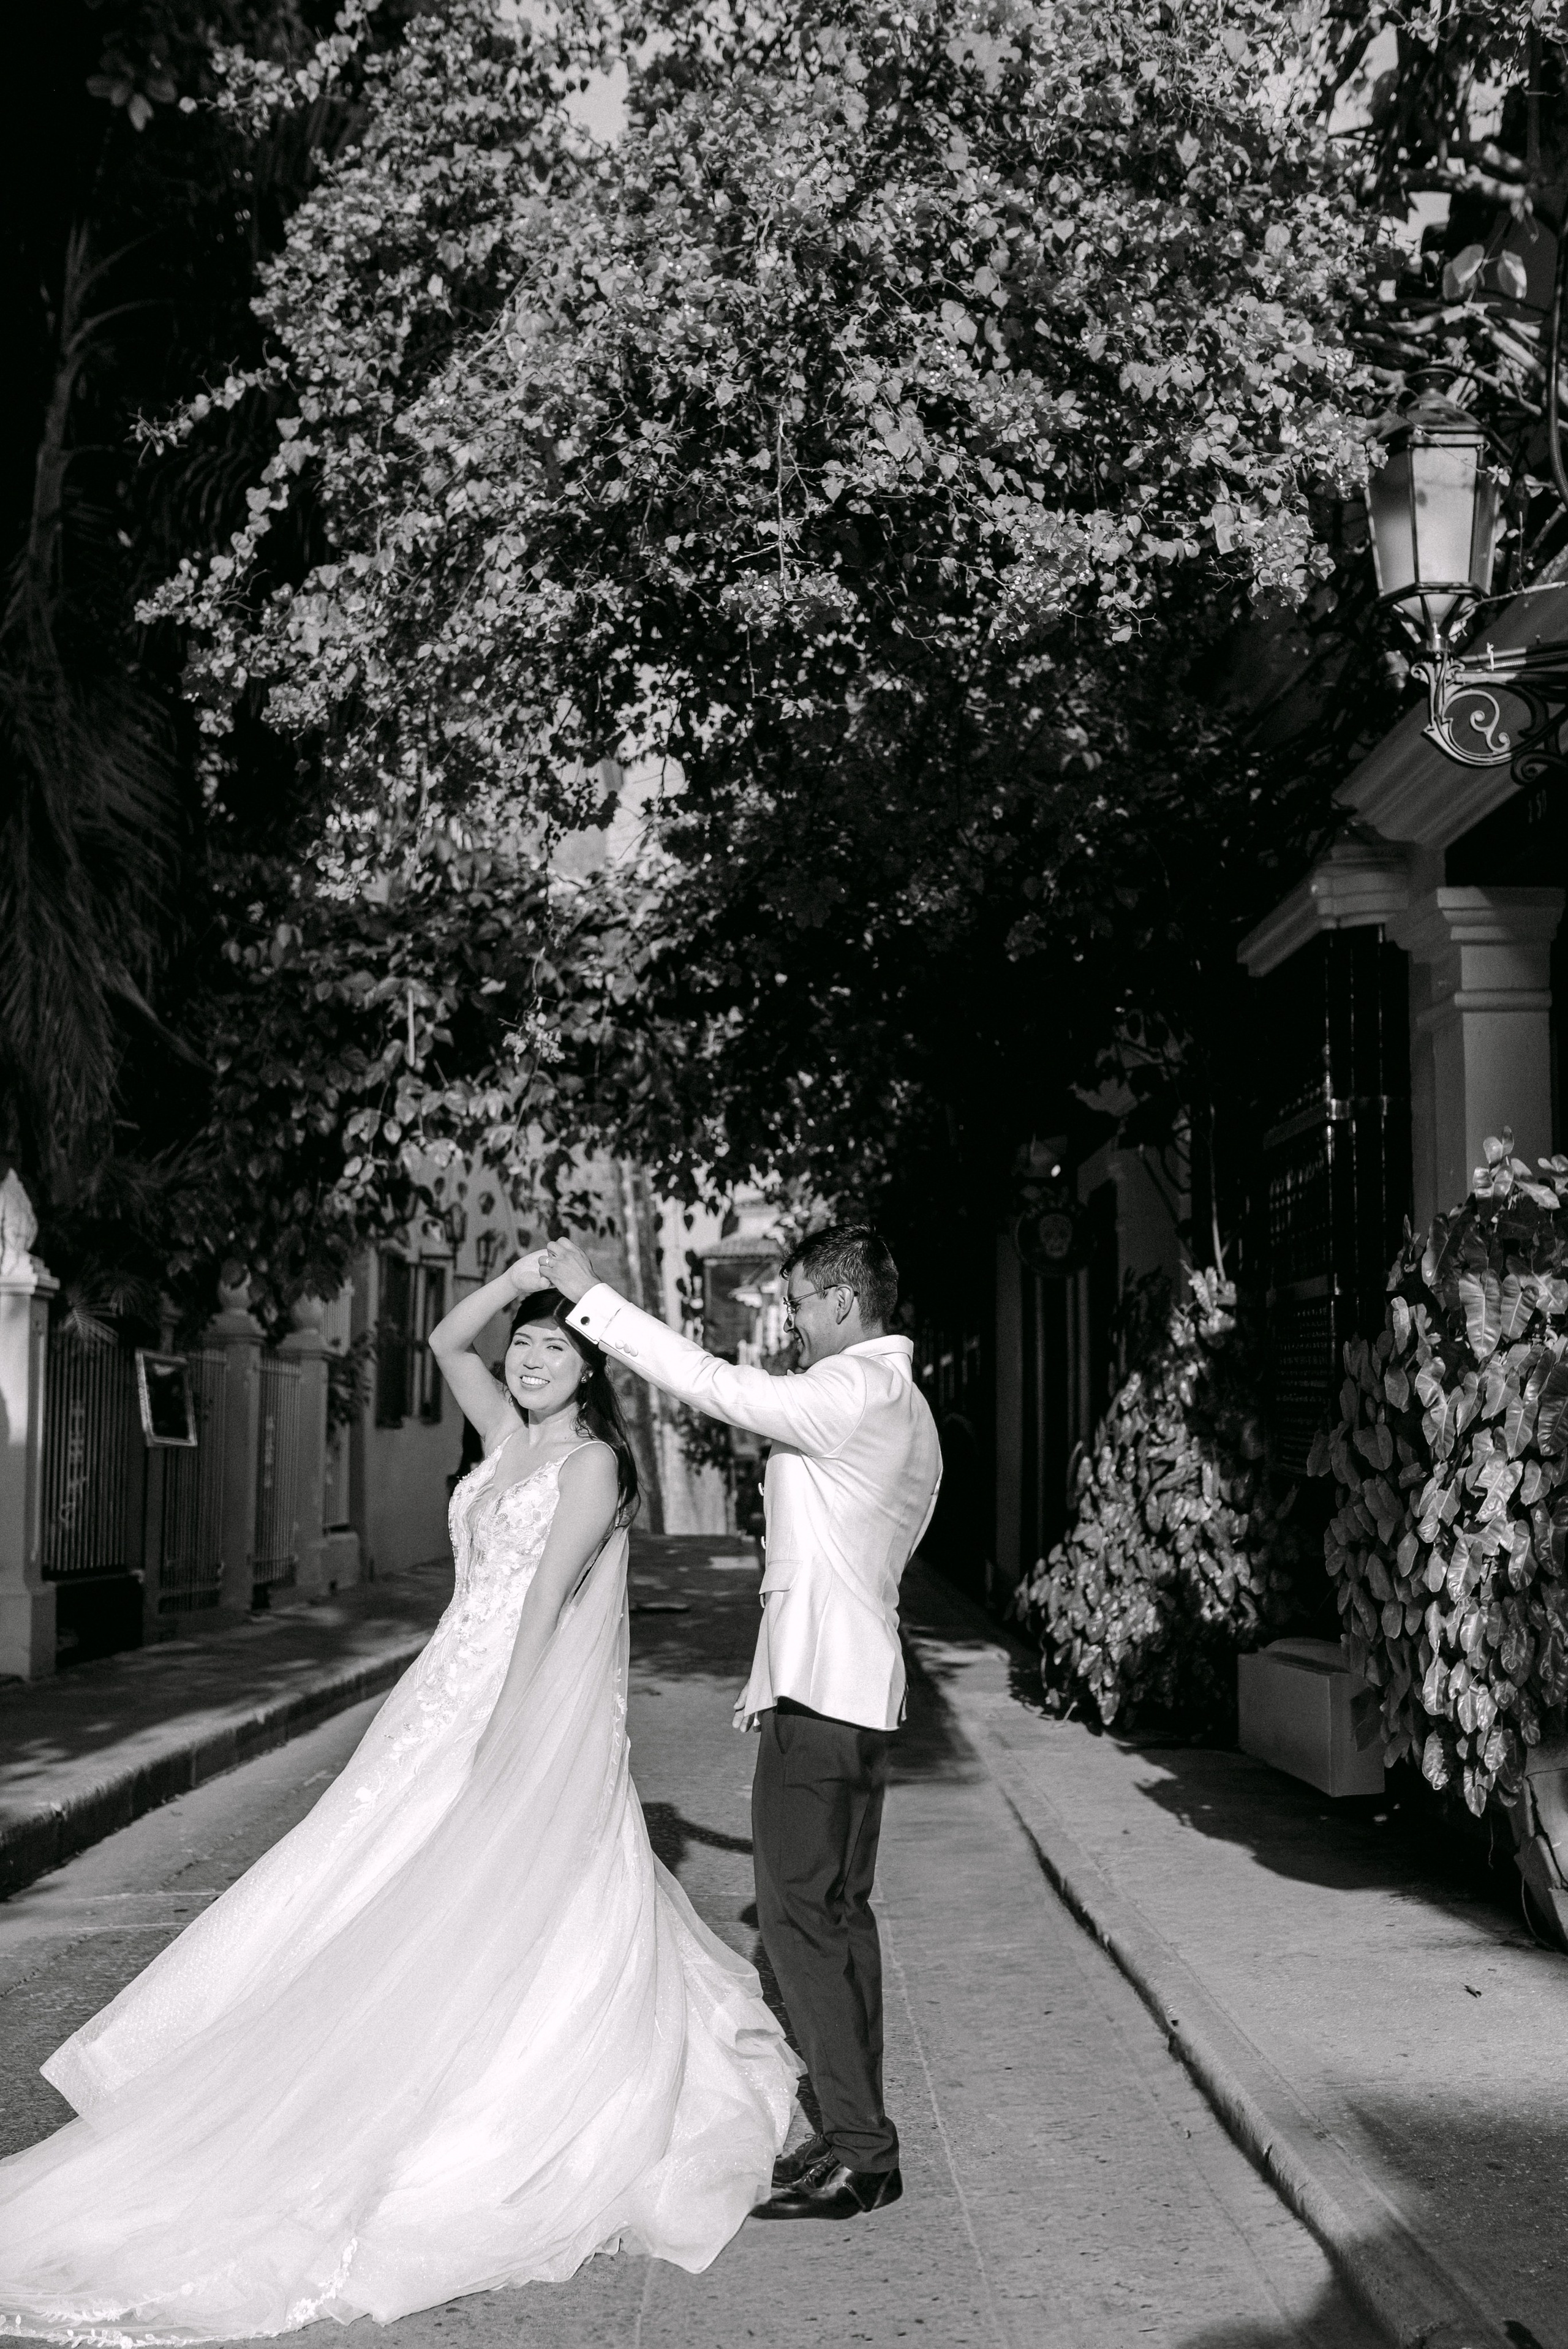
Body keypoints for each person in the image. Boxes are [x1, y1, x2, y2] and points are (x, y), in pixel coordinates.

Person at [0, 1263, 796, 2344]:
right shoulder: (503, 1433)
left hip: (505, 1701)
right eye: (527, 1343)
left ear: (594, 1365)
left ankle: (468, 2099)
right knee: (355, 1882)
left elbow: (542, 1616)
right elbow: (445, 1346)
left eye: (557, 1347)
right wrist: (521, 1279)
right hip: (435, 1696)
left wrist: (509, 1735)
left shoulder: (592, 1464)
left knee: (474, 1905)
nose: (529, 1358)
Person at [538, 1221, 942, 2223]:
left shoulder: (854, 1392)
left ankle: (861, 2149)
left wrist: (594, 1299)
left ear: (845, 1302)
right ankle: (857, 2140)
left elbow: (715, 1386)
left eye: (801, 1302)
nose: (791, 1320)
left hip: (824, 1695)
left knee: (805, 1924)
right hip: (852, 1690)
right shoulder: (902, 1403)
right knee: (837, 1920)